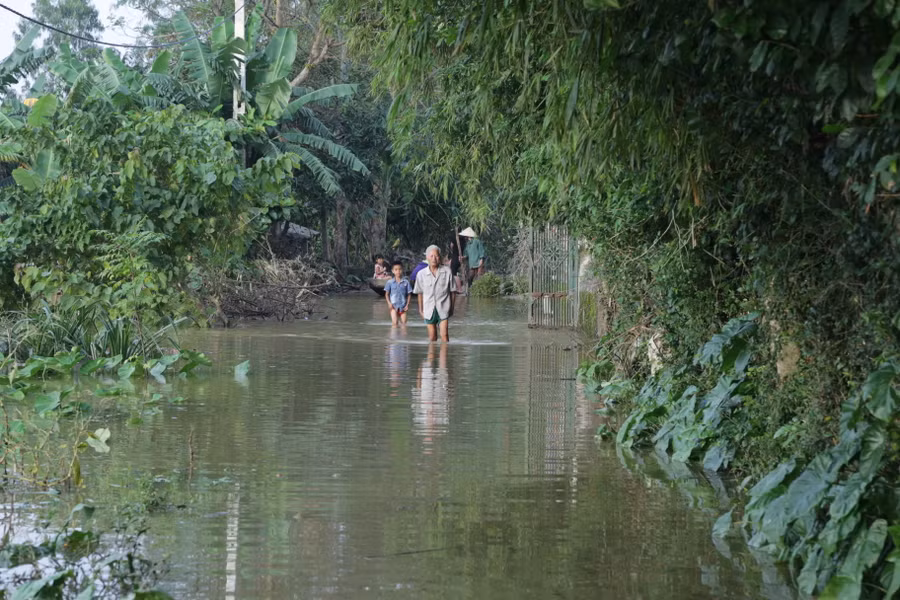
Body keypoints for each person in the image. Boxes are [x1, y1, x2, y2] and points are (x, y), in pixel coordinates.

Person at [414, 245, 457, 342]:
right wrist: (421, 310)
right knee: (432, 337)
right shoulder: (421, 274)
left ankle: (445, 351)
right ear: (427, 257)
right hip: (429, 309)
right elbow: (419, 293)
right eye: (431, 256)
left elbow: (453, 291)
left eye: (436, 256)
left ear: (440, 257)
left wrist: (452, 308)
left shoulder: (447, 271)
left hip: (444, 307)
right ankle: (432, 352)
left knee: (444, 335)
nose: (434, 259)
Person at [383, 260, 412, 326]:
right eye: (396, 270)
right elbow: (386, 294)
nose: (398, 271)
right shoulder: (390, 282)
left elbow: (409, 294)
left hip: (403, 307)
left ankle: (402, 333)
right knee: (395, 323)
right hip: (393, 306)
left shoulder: (406, 282)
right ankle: (393, 332)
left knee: (404, 324)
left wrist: (407, 305)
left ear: (402, 270)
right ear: (393, 271)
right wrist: (389, 303)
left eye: (400, 269)